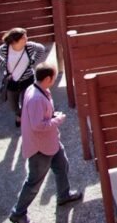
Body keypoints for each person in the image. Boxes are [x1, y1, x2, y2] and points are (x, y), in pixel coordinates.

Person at [9, 63, 82, 223]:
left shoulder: (35, 89)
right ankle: (18, 213)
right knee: (34, 182)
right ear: (48, 78)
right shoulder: (36, 98)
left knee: (62, 166)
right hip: (40, 147)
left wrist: (52, 116)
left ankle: (63, 195)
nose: (55, 80)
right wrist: (58, 119)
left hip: (50, 142)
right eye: (54, 77)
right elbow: (38, 125)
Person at [0, 28, 48, 127]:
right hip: (12, 81)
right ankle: (19, 114)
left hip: (27, 80)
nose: (27, 39)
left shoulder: (29, 46)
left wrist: (33, 61)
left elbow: (41, 49)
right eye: (23, 37)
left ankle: (24, 119)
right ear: (15, 40)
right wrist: (4, 64)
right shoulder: (5, 48)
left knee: (27, 102)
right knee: (13, 105)